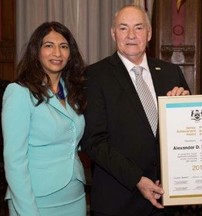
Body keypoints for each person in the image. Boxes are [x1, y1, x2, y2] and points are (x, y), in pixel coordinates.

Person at [80, 4, 190, 216]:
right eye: (123, 28)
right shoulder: (95, 76)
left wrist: (183, 110)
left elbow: (188, 134)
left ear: (149, 33)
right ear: (113, 34)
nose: (131, 35)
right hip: (119, 201)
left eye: (138, 28)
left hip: (168, 200)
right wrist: (137, 179)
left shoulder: (171, 73)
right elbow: (94, 142)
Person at [2, 21, 87, 216]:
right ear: (36, 51)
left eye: (63, 46)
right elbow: (14, 159)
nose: (57, 53)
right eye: (49, 45)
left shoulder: (74, 93)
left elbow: (72, 139)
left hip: (75, 197)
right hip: (35, 200)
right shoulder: (19, 93)